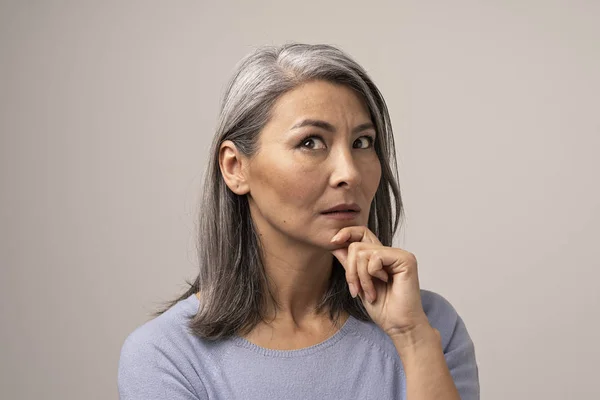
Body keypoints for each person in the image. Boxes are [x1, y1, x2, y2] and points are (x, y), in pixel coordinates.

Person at [117, 43, 480, 400]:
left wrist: (412, 338)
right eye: (310, 142)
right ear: (235, 167)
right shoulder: (166, 357)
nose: (349, 173)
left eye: (362, 142)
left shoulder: (429, 325)